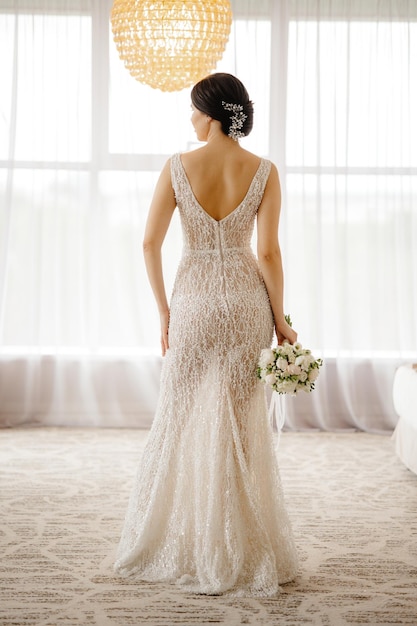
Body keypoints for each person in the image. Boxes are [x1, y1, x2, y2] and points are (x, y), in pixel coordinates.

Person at [114, 72, 299, 596]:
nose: (191, 121)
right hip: (245, 304)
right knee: (242, 428)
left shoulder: (178, 166)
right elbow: (267, 253)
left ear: (214, 114)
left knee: (179, 417)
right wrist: (281, 319)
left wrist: (164, 313)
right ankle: (240, 544)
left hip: (194, 303)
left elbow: (149, 244)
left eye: (195, 111)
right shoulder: (263, 170)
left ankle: (185, 539)